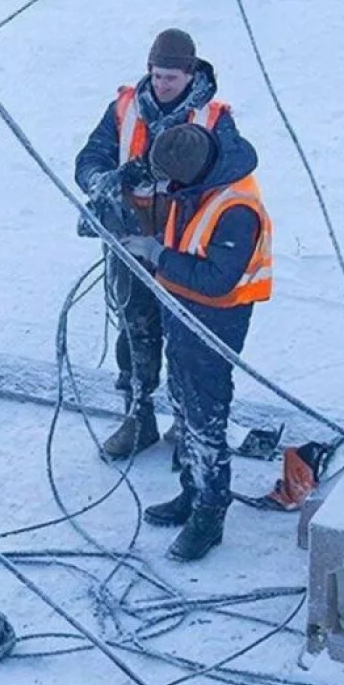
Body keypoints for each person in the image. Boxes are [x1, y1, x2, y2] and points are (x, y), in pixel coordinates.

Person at [75, 28, 244, 461]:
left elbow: (226, 173)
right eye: (156, 74)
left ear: (190, 73)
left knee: (185, 334)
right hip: (129, 238)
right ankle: (138, 415)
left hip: (182, 243)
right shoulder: (125, 106)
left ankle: (187, 424)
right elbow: (91, 156)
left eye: (171, 77)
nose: (162, 84)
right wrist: (101, 182)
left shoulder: (213, 118)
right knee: (135, 328)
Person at [122, 123, 272, 561]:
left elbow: (216, 279)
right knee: (184, 403)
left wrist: (157, 255)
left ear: (193, 174)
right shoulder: (200, 180)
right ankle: (192, 489)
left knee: (206, 416)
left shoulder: (237, 208)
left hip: (215, 321)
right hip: (182, 311)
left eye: (171, 182)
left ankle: (210, 512)